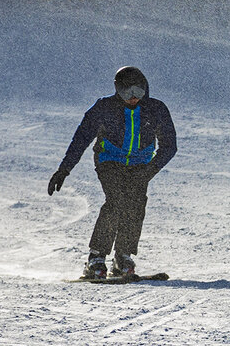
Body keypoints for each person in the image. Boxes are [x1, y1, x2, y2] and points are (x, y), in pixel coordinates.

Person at [48, 66, 177, 280]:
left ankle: (123, 256)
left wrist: (149, 170)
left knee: (135, 203)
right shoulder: (104, 108)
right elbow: (80, 139)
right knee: (116, 201)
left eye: (139, 91)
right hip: (110, 160)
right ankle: (96, 258)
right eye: (128, 93)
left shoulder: (156, 109)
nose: (134, 97)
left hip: (140, 166)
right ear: (118, 90)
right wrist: (64, 170)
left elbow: (169, 146)